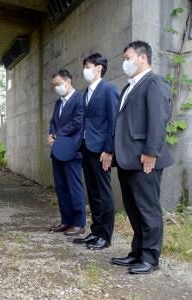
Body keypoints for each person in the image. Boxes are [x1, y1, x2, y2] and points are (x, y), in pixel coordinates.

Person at [111, 41, 174, 274]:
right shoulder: (128, 87)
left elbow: (158, 120)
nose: (124, 62)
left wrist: (150, 152)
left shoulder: (154, 83)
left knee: (148, 210)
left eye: (128, 57)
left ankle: (150, 257)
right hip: (127, 159)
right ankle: (137, 252)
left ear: (143, 58)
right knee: (133, 209)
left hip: (145, 159)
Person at [73, 53, 119, 250]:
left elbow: (114, 121)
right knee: (92, 192)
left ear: (99, 68)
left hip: (101, 150)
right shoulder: (85, 93)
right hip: (86, 148)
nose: (85, 70)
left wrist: (109, 150)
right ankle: (95, 231)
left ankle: (105, 236)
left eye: (88, 66)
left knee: (104, 192)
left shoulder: (109, 90)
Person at [48, 69, 86, 236]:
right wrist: (51, 134)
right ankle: (66, 221)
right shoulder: (59, 103)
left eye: (58, 84)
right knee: (61, 187)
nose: (56, 87)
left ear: (68, 81)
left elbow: (78, 122)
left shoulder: (80, 99)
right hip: (57, 151)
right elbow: (53, 122)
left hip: (72, 150)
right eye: (54, 85)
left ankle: (79, 223)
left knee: (74, 186)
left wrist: (57, 135)